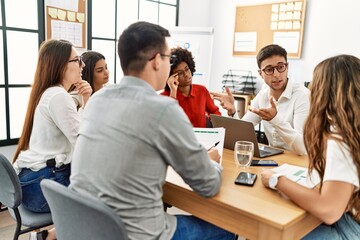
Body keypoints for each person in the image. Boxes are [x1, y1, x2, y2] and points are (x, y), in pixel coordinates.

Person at [69, 21, 235, 240]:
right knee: (229, 228)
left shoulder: (98, 99)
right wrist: (212, 161)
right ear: (157, 61)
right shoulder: (163, 108)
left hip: (88, 227)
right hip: (136, 235)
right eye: (167, 58)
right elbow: (208, 186)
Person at [261, 54, 360, 239]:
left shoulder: (342, 139)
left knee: (269, 232)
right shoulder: (353, 129)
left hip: (350, 229)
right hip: (350, 219)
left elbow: (329, 211)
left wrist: (277, 180)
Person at [12, 39, 92, 240]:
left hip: (32, 183)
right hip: (42, 187)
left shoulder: (51, 93)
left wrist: (85, 100)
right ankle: (51, 236)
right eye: (78, 60)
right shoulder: (58, 96)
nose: (82, 65)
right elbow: (83, 144)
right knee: (104, 202)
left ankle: (49, 236)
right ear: (62, 66)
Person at [212, 44, 310, 155]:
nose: (277, 75)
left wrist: (275, 119)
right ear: (261, 74)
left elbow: (302, 149)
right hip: (277, 158)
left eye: (281, 67)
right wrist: (233, 111)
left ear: (287, 67)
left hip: (300, 162)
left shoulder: (302, 95)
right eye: (269, 70)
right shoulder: (263, 95)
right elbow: (242, 131)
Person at [161, 47, 236, 127]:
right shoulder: (163, 97)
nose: (186, 74)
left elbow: (215, 113)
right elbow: (167, 122)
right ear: (170, 77)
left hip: (202, 138)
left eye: (187, 69)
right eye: (180, 73)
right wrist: (173, 92)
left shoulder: (201, 90)